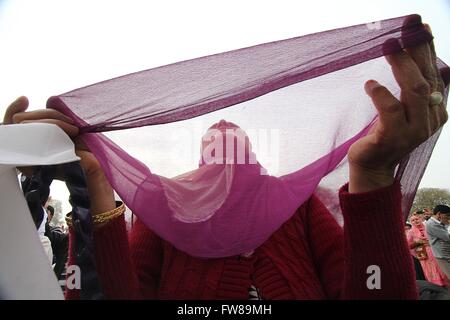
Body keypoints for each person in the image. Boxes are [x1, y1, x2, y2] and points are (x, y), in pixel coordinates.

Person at [3, 24, 448, 299]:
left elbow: (372, 289)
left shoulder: (295, 206)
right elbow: (101, 294)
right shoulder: (169, 208)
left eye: (235, 158)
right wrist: (93, 191)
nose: (225, 170)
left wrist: (371, 175)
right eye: (216, 158)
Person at [407, 213, 447, 286]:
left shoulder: (428, 227)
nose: (415, 221)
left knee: (439, 266)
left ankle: (444, 283)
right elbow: (408, 245)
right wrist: (418, 242)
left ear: (421, 219)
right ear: (411, 222)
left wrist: (430, 241)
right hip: (423, 254)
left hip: (434, 251)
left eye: (417, 219)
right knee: (428, 270)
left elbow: (438, 238)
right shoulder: (411, 232)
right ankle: (434, 285)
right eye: (413, 220)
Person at [425, 205, 450, 279]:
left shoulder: (438, 222)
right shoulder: (432, 224)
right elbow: (447, 237)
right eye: (447, 215)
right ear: (439, 214)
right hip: (442, 256)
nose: (448, 218)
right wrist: (446, 224)